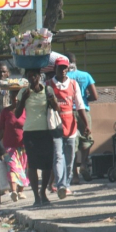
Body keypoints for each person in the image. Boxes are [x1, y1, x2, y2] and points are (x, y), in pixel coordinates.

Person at [47, 57, 90, 200]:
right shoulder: (48, 85)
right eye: (60, 68)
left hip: (71, 124)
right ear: (55, 69)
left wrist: (86, 124)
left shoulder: (73, 84)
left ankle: (66, 183)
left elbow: (79, 106)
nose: (63, 70)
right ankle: (61, 186)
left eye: (65, 68)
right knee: (58, 156)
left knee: (70, 157)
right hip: (55, 125)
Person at [16, 68, 57, 206]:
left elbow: (57, 108)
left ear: (39, 76)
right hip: (30, 132)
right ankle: (36, 197)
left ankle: (43, 192)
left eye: (34, 75)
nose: (32, 78)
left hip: (45, 131)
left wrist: (52, 100)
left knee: (47, 165)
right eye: (29, 76)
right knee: (32, 165)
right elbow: (17, 114)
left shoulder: (47, 90)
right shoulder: (24, 92)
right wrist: (24, 99)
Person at [65, 52, 98, 183]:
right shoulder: (86, 75)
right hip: (83, 111)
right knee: (87, 139)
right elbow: (95, 96)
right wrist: (85, 100)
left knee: (71, 143)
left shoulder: (64, 77)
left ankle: (75, 176)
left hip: (68, 113)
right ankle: (84, 164)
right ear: (76, 61)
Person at [0, 90, 29, 202]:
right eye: (13, 94)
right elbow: (1, 129)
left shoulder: (27, 110)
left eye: (18, 94)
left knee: (23, 168)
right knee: (11, 167)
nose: (15, 97)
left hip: (23, 145)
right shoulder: (5, 112)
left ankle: (21, 191)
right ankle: (13, 191)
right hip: (9, 146)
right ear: (10, 96)